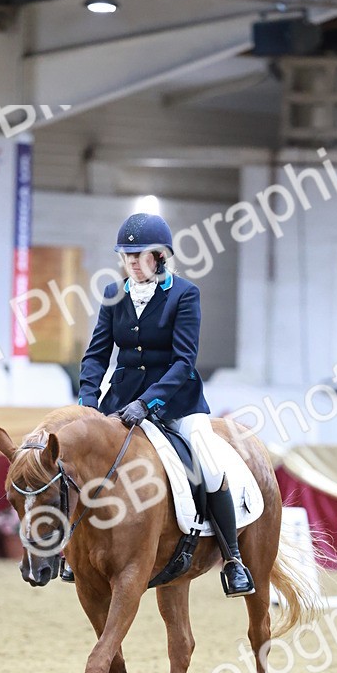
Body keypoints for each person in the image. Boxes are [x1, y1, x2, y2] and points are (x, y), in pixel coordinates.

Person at [76, 212, 255, 596]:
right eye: (127, 257)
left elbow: (183, 361)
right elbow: (96, 355)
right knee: (84, 463)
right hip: (120, 402)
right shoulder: (114, 294)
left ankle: (234, 558)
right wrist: (88, 403)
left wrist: (148, 401)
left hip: (177, 402)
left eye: (140, 256)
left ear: (160, 257)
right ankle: (74, 554)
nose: (132, 264)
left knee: (207, 463)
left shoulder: (185, 294)